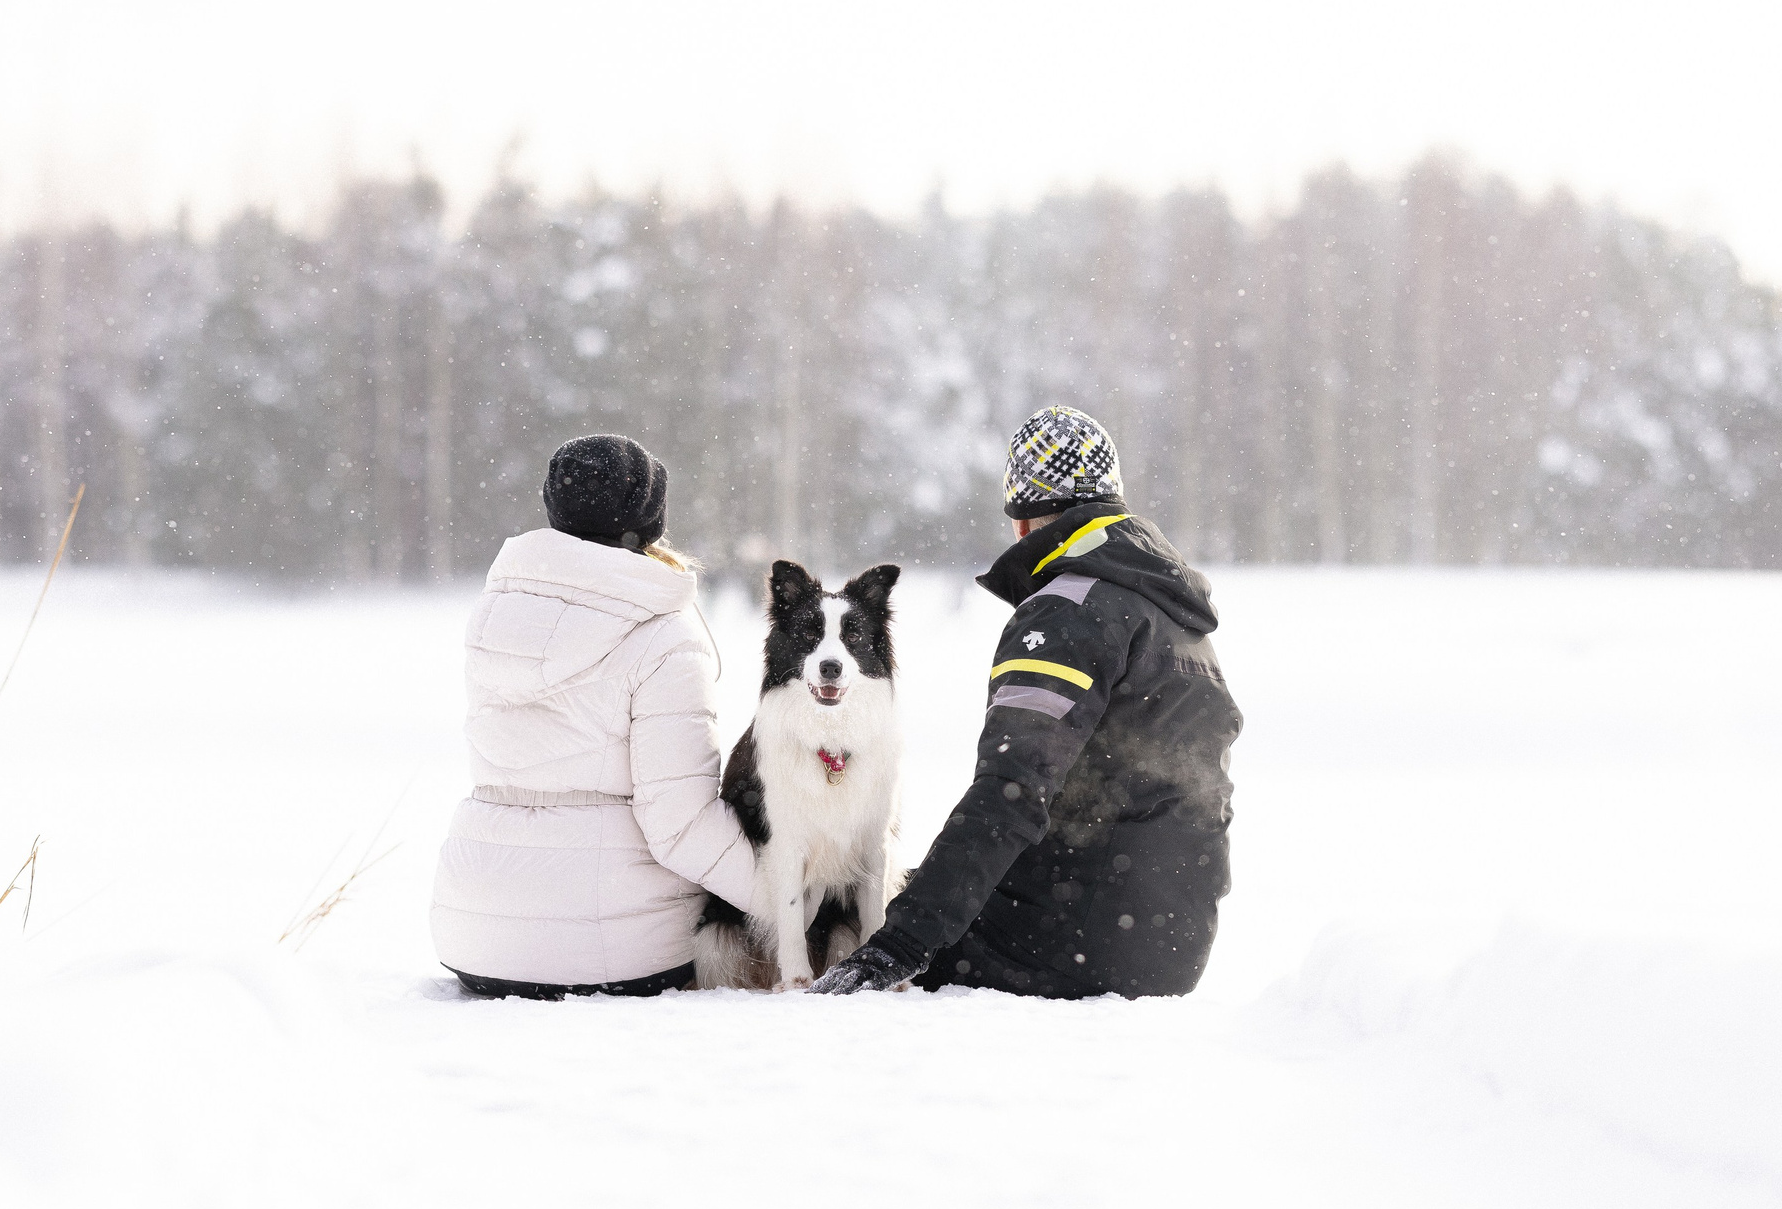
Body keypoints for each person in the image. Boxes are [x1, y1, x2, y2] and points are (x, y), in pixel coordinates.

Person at [813, 405, 1240, 999]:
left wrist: (897, 945)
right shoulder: (1175, 616)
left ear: (1022, 518)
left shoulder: (1067, 611)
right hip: (1175, 939)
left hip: (1078, 934)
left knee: (847, 919)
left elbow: (1010, 793)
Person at [429, 434, 758, 998]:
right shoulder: (663, 634)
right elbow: (679, 824)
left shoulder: (496, 614)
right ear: (649, 522)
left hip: (473, 936)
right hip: (611, 949)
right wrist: (792, 902)